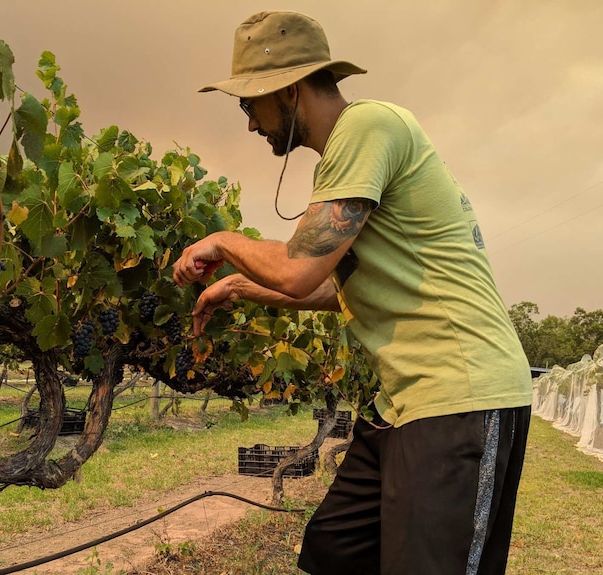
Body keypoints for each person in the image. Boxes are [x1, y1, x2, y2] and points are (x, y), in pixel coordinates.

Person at [171, 10, 534, 575]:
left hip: (460, 395)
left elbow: (298, 269)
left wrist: (223, 241)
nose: (249, 125)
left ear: (288, 91)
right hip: (403, 403)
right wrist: (241, 287)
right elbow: (332, 287)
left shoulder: (368, 126)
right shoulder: (349, 157)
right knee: (334, 551)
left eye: (249, 105)